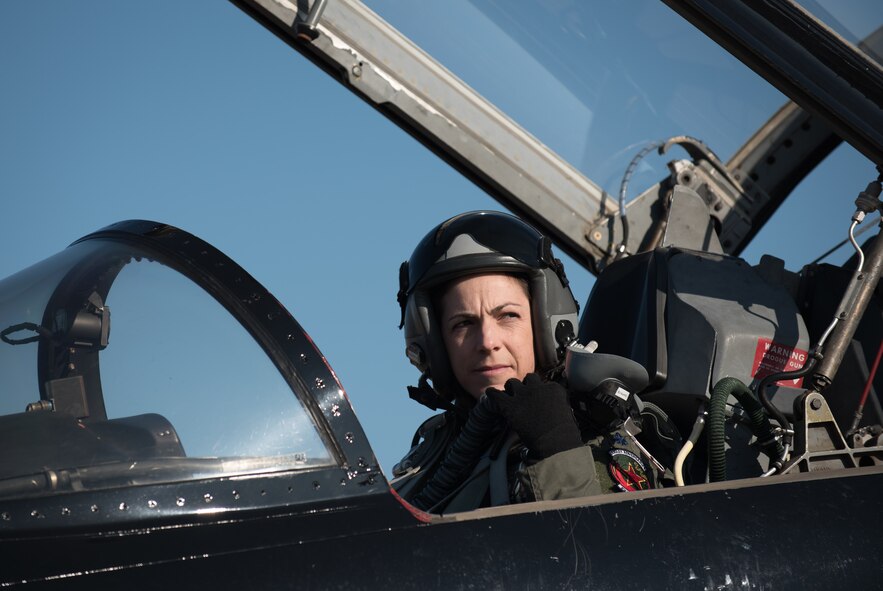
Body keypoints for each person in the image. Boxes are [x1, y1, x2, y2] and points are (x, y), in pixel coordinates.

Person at [391, 211, 672, 513]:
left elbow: (616, 552)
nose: (487, 342)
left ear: (546, 325)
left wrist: (557, 451)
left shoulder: (597, 432)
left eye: (508, 316)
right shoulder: (431, 457)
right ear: (435, 345)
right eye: (463, 324)